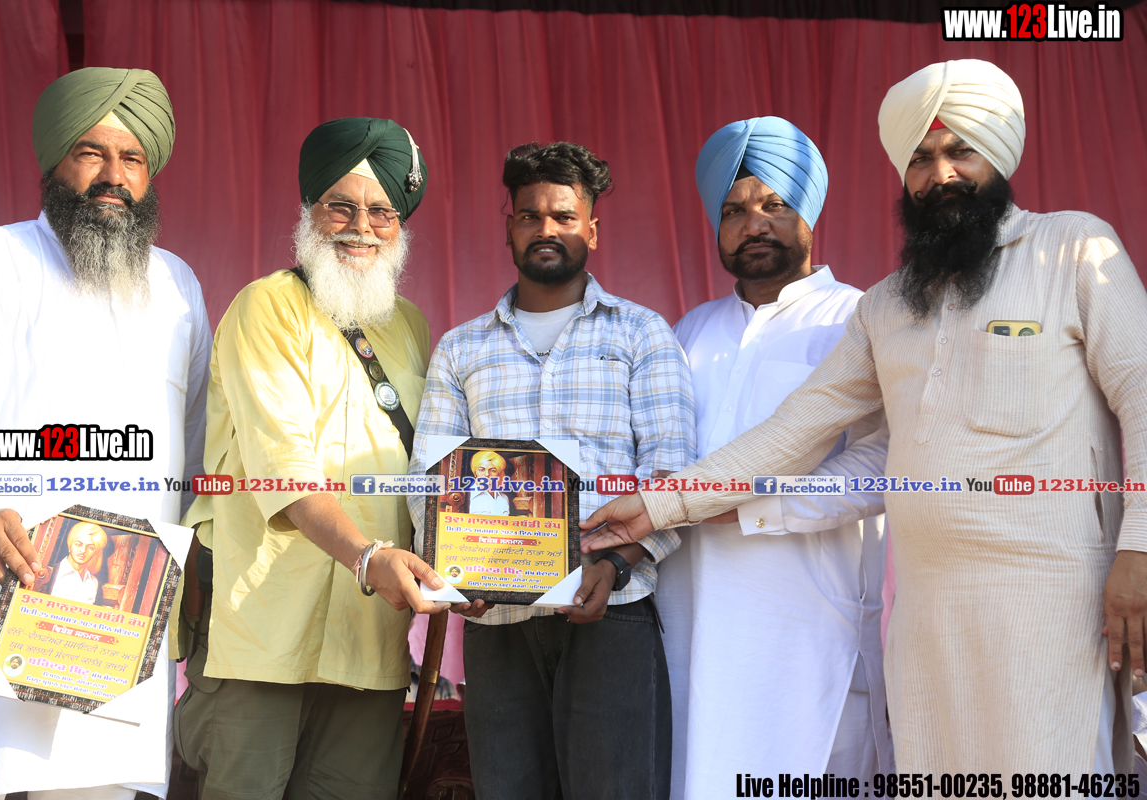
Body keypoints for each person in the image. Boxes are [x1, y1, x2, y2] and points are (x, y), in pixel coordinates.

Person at [581, 59, 1147, 774]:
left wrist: (1139, 549)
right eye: (920, 160)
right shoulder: (887, 305)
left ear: (1000, 158)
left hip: (1054, 597)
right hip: (926, 611)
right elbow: (797, 429)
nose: (940, 175)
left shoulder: (1072, 249)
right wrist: (660, 506)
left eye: (960, 151)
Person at [0, 67, 211, 800]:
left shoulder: (179, 286)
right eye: (91, 153)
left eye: (132, 159)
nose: (113, 177)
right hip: (3, 610)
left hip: (125, 630)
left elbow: (193, 446)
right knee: (1, 779)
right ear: (54, 161)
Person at [407, 141, 695, 799]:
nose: (546, 228)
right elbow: (429, 481)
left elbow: (671, 475)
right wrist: (458, 571)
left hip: (611, 604)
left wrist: (615, 563)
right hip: (494, 619)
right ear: (508, 227)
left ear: (591, 229)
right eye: (529, 215)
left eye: (564, 216)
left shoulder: (641, 334)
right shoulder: (461, 348)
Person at [174, 117, 449, 800]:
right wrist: (368, 557)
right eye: (341, 206)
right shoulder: (267, 306)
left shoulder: (412, 328)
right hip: (260, 633)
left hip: (369, 639)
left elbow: (436, 471)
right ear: (309, 211)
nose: (362, 227)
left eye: (381, 212)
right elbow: (285, 467)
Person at [657, 116, 891, 794]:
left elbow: (886, 465)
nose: (753, 224)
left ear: (809, 214)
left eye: (774, 205)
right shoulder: (689, 331)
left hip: (811, 627)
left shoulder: (858, 318)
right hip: (693, 623)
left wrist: (757, 507)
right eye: (734, 211)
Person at [49, 522, 110, 605]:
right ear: (70, 546)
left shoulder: (93, 582)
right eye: (78, 544)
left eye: (90, 547)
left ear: (95, 553)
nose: (83, 550)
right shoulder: (53, 572)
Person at [466, 450, 512, 516]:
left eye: (493, 470)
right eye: (481, 470)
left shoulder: (504, 498)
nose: (487, 474)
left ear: (498, 474)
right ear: (475, 473)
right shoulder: (467, 495)